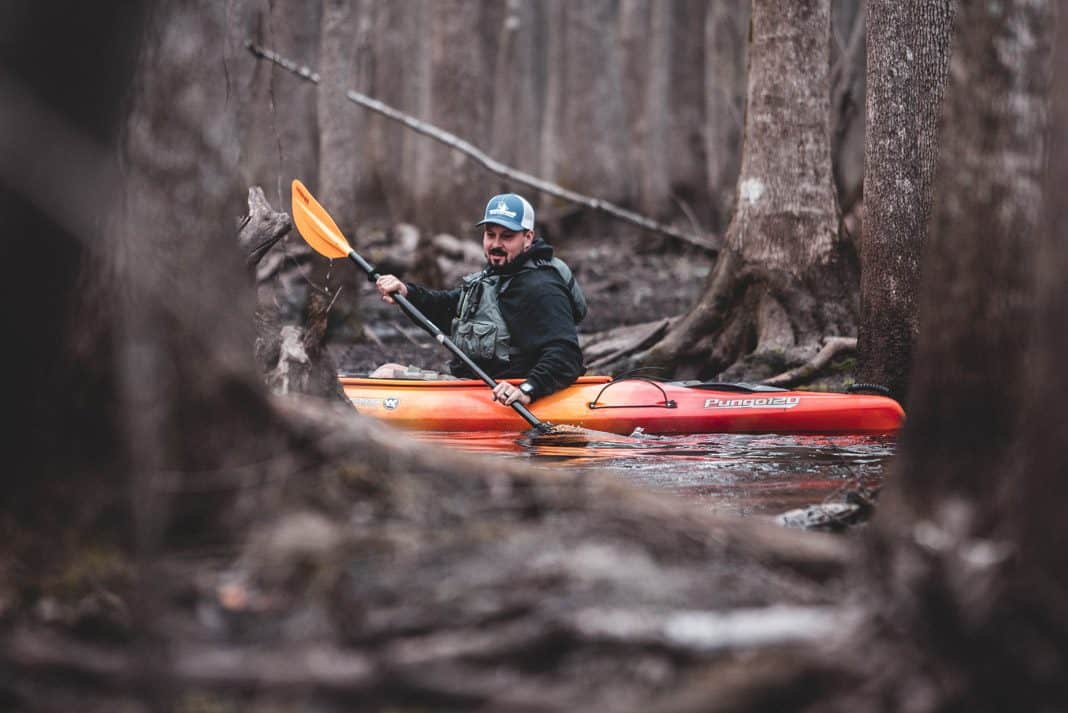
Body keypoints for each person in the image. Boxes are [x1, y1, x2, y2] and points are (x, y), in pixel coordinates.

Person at [373, 192, 587, 408]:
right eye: (490, 235)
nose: (495, 244)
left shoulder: (542, 288)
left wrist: (527, 390)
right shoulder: (496, 276)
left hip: (507, 398)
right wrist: (406, 293)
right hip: (474, 389)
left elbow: (566, 355)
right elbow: (447, 308)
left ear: (528, 238)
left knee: (385, 376)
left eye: (507, 236)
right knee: (387, 372)